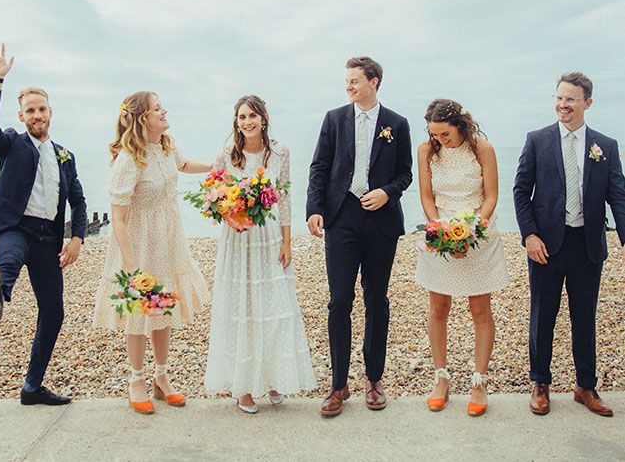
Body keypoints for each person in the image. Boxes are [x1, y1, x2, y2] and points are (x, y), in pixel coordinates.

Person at [0, 42, 87, 406]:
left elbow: (78, 201)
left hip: (47, 239)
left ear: (50, 112)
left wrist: (77, 239)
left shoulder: (65, 156)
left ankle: (32, 387)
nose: (36, 114)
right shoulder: (11, 143)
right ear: (21, 116)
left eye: (41, 108)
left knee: (53, 312)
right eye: (29, 110)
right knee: (7, 259)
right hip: (14, 226)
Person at [514, 72, 625, 417]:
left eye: (571, 99)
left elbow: (618, 196)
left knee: (584, 318)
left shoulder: (605, 146)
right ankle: (540, 383)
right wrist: (529, 235)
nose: (563, 105)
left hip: (588, 245)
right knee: (542, 316)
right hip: (546, 245)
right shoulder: (537, 140)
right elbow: (521, 191)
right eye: (559, 98)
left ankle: (585, 387)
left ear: (587, 103)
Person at [307, 56, 412, 417]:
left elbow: (405, 174)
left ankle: (374, 379)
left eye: (354, 81)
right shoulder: (334, 119)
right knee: (339, 301)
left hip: (381, 221)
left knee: (377, 300)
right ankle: (338, 385)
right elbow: (319, 166)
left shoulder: (397, 123)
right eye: (347, 81)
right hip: (341, 218)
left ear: (374, 81)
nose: (348, 86)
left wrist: (387, 192)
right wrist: (315, 209)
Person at [93, 91, 210, 414]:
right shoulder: (129, 158)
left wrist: (216, 167)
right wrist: (131, 267)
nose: (164, 111)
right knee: (139, 313)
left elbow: (184, 165)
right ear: (144, 118)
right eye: (158, 108)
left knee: (164, 309)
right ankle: (136, 379)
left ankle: (161, 376)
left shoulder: (167, 146)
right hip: (138, 243)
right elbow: (117, 218)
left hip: (168, 238)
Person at [204, 95, 316, 413]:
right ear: (236, 122)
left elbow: (283, 199)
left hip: (267, 237)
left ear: (264, 118)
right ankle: (244, 388)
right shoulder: (228, 154)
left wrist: (286, 242)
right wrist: (230, 215)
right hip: (237, 237)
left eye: (252, 115)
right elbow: (212, 193)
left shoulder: (281, 152)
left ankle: (272, 378)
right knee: (243, 309)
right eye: (241, 117)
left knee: (274, 308)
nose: (247, 122)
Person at [415, 99, 509, 416]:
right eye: (434, 134)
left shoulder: (483, 149)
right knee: (438, 307)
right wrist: (440, 229)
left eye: (444, 134)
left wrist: (471, 231)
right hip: (440, 236)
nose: (440, 140)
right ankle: (441, 378)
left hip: (477, 235)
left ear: (460, 125)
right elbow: (427, 198)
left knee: (480, 309)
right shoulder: (426, 151)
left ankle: (479, 382)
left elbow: (492, 195)